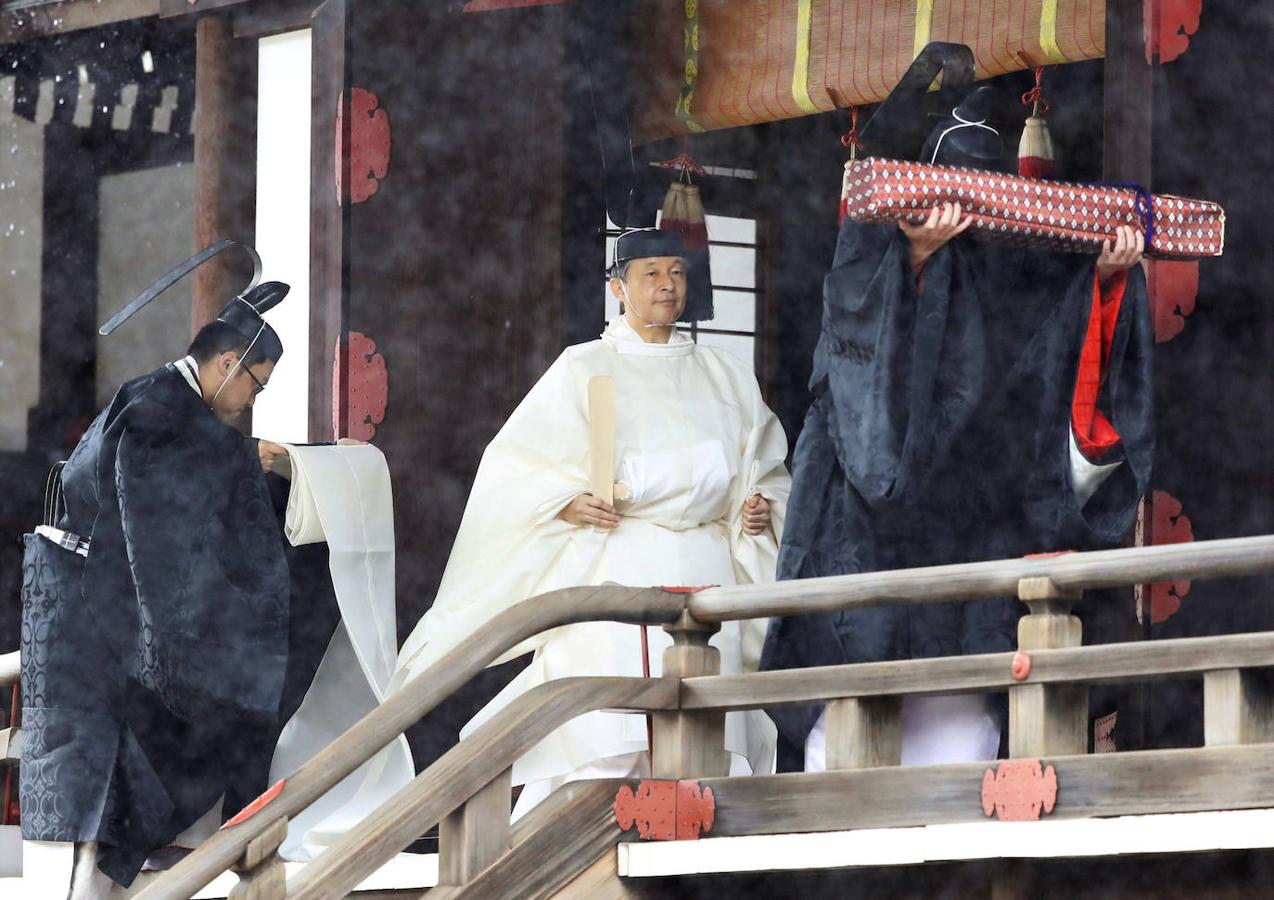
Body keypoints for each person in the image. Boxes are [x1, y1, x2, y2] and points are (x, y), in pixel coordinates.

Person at [760, 88, 1155, 772]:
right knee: (854, 772)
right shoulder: (864, 270)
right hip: (868, 544)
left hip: (969, 542)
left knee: (965, 758)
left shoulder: (1009, 271)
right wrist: (910, 263)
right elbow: (866, 424)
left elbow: (1045, 373)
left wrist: (1107, 281)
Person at [392, 228, 791, 815]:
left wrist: (758, 504)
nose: (666, 285)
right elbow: (517, 468)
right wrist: (566, 500)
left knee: (708, 736)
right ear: (618, 287)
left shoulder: (726, 374)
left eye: (677, 273)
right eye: (650, 273)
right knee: (607, 735)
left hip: (708, 563)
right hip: (619, 557)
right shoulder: (581, 368)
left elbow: (764, 466)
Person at [19, 248, 315, 897]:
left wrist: (254, 458)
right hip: (86, 600)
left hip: (89, 592)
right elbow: (169, 510)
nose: (249, 400)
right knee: (93, 790)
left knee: (103, 796)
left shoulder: (168, 403)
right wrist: (253, 461)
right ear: (228, 362)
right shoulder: (160, 406)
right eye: (255, 385)